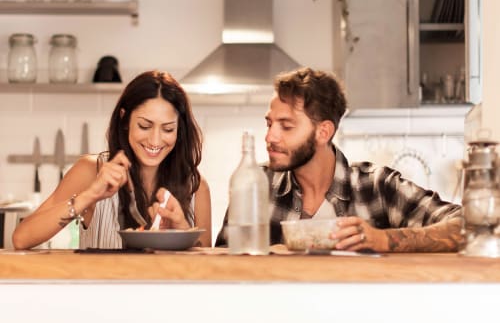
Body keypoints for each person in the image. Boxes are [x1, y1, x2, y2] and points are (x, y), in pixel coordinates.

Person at [216, 67, 462, 252]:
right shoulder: (257, 184)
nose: (270, 136)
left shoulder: (376, 186)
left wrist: (382, 239)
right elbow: (222, 265)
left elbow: (467, 225)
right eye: (269, 124)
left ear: (324, 132)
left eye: (286, 126)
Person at [13, 70, 212, 249]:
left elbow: (209, 273)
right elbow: (21, 238)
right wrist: (89, 196)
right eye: (144, 126)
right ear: (125, 120)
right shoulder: (91, 171)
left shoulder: (196, 186)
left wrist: (182, 230)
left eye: (168, 129)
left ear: (180, 129)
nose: (155, 140)